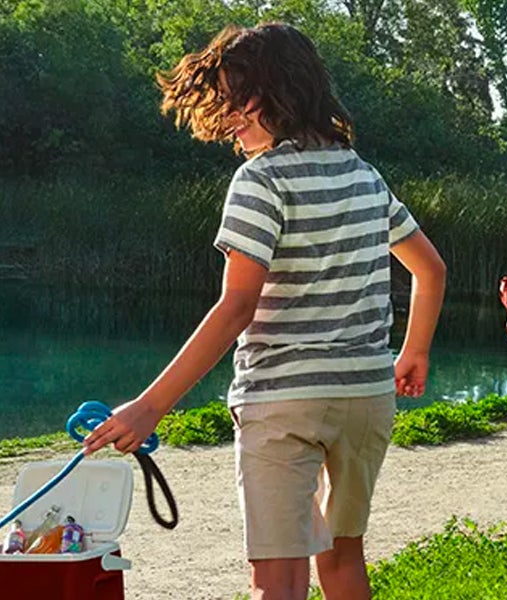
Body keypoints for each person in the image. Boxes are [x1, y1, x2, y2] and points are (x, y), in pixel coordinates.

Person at [81, 23, 447, 600]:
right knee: (343, 557)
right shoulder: (364, 174)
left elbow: (236, 307)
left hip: (282, 400)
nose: (229, 117)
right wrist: (415, 351)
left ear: (281, 93)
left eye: (238, 100)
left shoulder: (261, 180)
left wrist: (150, 408)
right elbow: (431, 269)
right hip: (366, 396)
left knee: (278, 579)